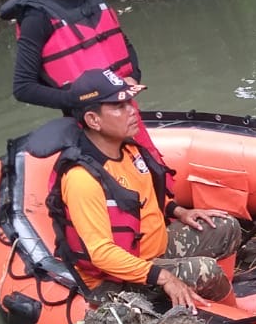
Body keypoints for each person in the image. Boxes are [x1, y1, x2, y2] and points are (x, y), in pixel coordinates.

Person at [47, 69, 240, 309]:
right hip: (115, 278)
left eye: (130, 102)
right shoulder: (82, 179)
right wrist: (163, 276)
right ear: (93, 120)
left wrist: (180, 212)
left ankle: (225, 299)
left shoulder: (129, 151)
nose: (132, 110)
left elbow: (144, 201)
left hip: (150, 249)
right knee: (204, 270)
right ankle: (232, 314)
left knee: (225, 227)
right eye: (119, 106)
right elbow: (101, 254)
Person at [1, 0, 158, 152]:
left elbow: (123, 45)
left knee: (154, 174)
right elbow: (23, 87)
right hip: (88, 125)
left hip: (125, 112)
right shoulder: (36, 18)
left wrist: (132, 77)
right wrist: (81, 100)